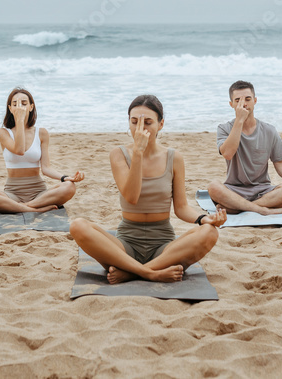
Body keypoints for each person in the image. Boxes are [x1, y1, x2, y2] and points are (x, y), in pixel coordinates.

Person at [69, 94, 227, 283]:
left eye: (148, 122)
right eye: (134, 122)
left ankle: (132, 273)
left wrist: (204, 218)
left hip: (164, 248)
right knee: (78, 225)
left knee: (209, 232)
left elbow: (181, 208)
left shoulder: (174, 157)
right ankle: (150, 273)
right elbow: (131, 197)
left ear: (161, 124)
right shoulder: (118, 154)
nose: (140, 128)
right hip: (125, 246)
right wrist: (138, 153)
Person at [207, 80, 282, 214]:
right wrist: (239, 121)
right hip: (234, 190)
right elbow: (228, 153)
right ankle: (262, 210)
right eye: (238, 100)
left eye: (248, 99)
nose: (244, 104)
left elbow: (280, 162)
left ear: (255, 100)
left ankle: (240, 208)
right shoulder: (224, 129)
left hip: (263, 191)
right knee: (213, 187)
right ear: (231, 104)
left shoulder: (269, 130)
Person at [0, 88, 84, 213]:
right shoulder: (3, 133)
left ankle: (25, 207)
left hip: (39, 193)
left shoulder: (41, 133)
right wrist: (19, 120)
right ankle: (35, 210)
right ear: (10, 109)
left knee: (69, 187)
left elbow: (46, 168)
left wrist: (65, 178)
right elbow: (19, 150)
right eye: (15, 104)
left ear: (31, 107)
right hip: (12, 193)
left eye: (24, 104)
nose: (20, 108)